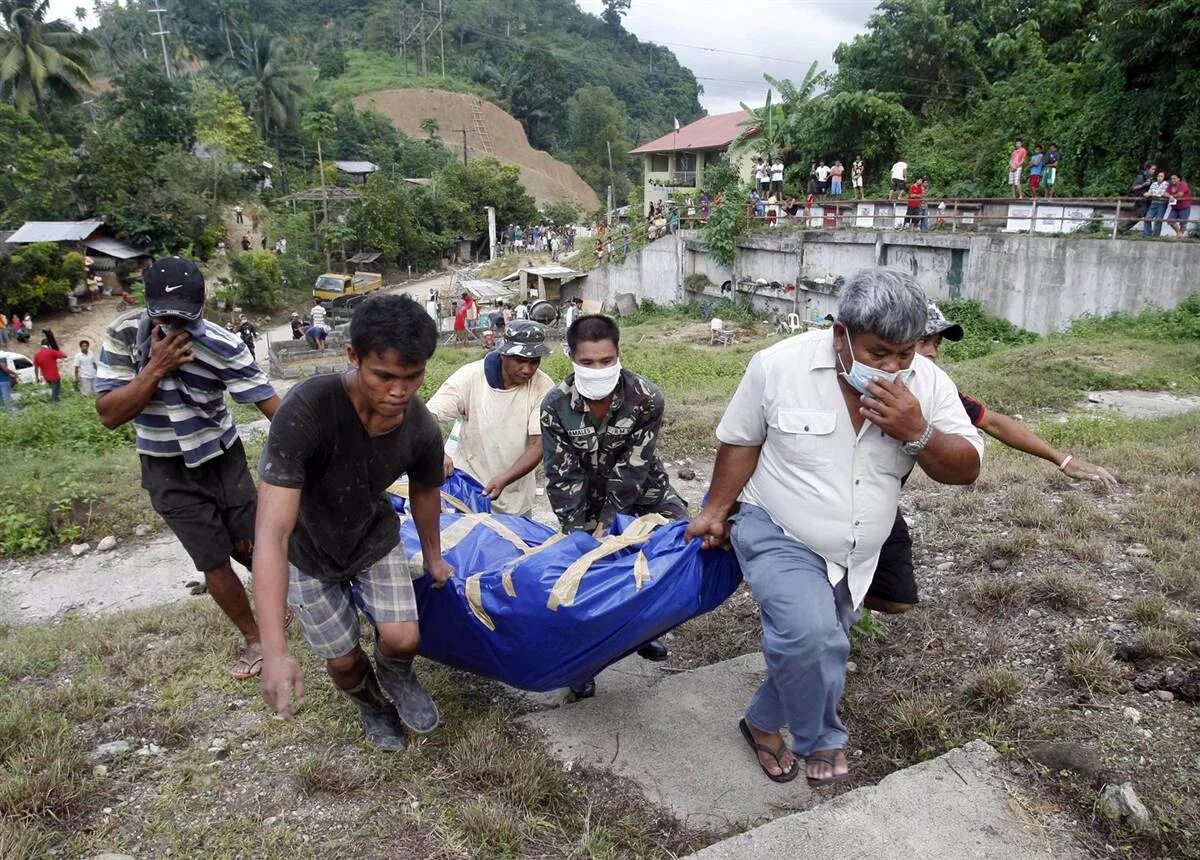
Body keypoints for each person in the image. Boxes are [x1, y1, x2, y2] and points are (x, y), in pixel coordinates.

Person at [685, 269, 984, 785]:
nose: (893, 368)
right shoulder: (777, 366)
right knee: (809, 638)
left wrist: (918, 432)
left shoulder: (929, 386)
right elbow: (741, 441)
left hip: (858, 552)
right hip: (777, 526)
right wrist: (715, 509)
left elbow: (966, 469)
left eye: (905, 354)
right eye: (879, 353)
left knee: (824, 644)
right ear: (840, 333)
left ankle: (760, 721)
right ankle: (822, 740)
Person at [254, 294, 450, 752]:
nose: (399, 391)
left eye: (412, 376)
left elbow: (425, 490)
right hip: (308, 551)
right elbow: (271, 532)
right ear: (353, 357)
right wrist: (275, 650)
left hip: (371, 537)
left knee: (403, 639)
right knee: (342, 662)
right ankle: (371, 703)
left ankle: (397, 675)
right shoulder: (307, 411)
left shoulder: (420, 426)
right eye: (384, 376)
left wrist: (434, 558)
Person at [864, 303, 1119, 616]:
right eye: (922, 342)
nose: (931, 353)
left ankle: (842, 598)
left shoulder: (932, 391)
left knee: (897, 598)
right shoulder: (849, 380)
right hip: (822, 497)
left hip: (879, 500)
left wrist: (1063, 460)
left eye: (936, 344)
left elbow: (992, 421)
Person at [95, 257, 281, 680]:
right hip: (165, 466)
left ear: (201, 307)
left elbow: (272, 407)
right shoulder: (124, 337)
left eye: (185, 318)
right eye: (163, 315)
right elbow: (108, 414)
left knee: (252, 545)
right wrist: (155, 368)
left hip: (222, 454)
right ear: (148, 303)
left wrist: (315, 450)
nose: (174, 326)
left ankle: (282, 603)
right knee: (212, 558)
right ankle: (255, 639)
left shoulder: (223, 344)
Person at [541, 314, 685, 698]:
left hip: (640, 490)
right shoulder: (555, 404)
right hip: (583, 497)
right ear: (571, 357)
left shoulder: (646, 397)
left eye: (606, 360)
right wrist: (580, 535)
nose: (598, 369)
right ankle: (581, 663)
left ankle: (644, 630)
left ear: (618, 354)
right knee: (582, 575)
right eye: (587, 362)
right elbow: (561, 477)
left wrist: (611, 522)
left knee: (673, 547)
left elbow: (634, 468)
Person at [428, 320, 555, 515]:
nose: (528, 369)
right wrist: (437, 452)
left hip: (516, 498)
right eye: (520, 360)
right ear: (504, 353)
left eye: (534, 361)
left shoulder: (543, 387)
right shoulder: (470, 377)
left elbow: (538, 445)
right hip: (468, 493)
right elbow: (429, 415)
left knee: (516, 543)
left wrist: (504, 478)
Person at [1126, 162, 1156, 234]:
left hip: (1147, 199)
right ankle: (1121, 229)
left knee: (1147, 217)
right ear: (1148, 169)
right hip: (1140, 199)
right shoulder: (1141, 176)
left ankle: (1147, 233)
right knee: (1137, 216)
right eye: (1152, 169)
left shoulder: (1151, 178)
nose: (1154, 171)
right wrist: (1144, 184)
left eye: (1154, 169)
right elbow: (1133, 188)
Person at [1143, 170, 1170, 238]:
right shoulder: (1153, 184)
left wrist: (1151, 194)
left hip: (1162, 204)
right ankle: (1147, 235)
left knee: (1158, 220)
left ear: (1164, 177)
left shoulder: (1166, 184)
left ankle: (1156, 236)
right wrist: (1149, 194)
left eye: (1161, 176)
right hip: (1153, 203)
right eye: (1158, 176)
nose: (1159, 177)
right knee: (1147, 218)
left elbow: (1161, 194)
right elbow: (1149, 193)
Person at [1166, 173, 1192, 238]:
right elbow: (1164, 193)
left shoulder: (1183, 184)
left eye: (1174, 178)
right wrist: (1170, 196)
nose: (1172, 180)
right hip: (1175, 207)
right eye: (1171, 179)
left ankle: (1179, 236)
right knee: (1170, 220)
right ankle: (1179, 234)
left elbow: (1180, 194)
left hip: (1184, 207)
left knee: (1183, 224)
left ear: (1179, 179)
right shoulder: (1170, 185)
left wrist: (1171, 196)